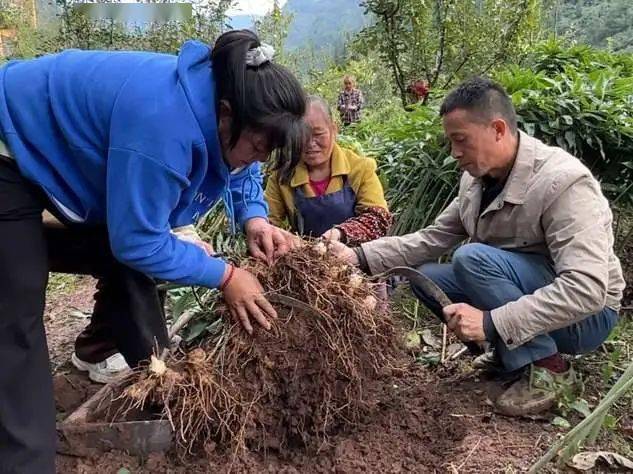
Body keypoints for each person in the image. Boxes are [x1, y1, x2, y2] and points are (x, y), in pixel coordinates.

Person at [0, 29, 306, 473]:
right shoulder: (164, 123)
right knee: (16, 306)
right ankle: (24, 461)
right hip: (8, 142)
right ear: (226, 115)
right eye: (258, 147)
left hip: (62, 158)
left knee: (125, 252)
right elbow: (138, 240)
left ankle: (101, 348)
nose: (257, 159)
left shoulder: (229, 100)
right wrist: (225, 275)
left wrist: (254, 217)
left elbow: (238, 164)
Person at [329, 77, 625, 417]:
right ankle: (511, 356)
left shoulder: (563, 183)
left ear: (498, 129)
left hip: (587, 317)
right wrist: (357, 255)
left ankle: (551, 368)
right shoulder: (476, 180)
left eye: (461, 141)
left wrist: (491, 323)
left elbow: (586, 289)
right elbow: (433, 238)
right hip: (528, 296)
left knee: (471, 258)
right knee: (428, 277)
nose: (455, 153)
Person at [265, 95, 392, 245]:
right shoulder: (282, 177)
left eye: (318, 134)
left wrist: (340, 233)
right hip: (305, 261)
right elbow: (267, 224)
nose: (310, 143)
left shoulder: (359, 168)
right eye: (302, 136)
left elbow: (378, 219)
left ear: (334, 129)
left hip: (357, 258)